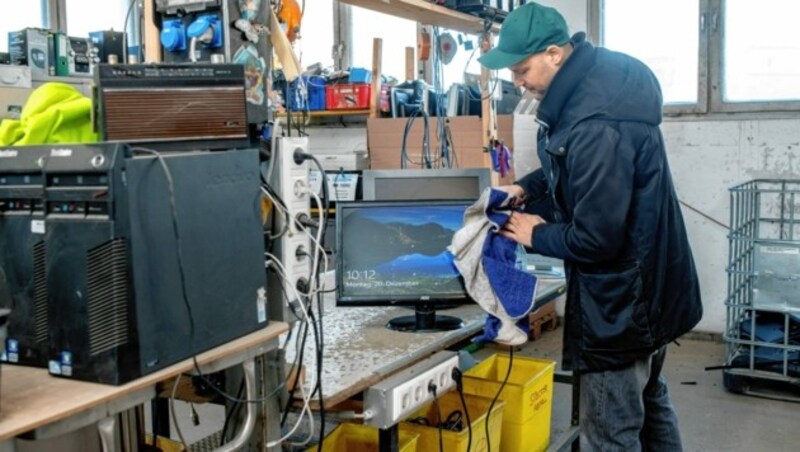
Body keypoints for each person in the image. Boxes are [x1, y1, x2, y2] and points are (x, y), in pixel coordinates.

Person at [478, 3, 703, 451]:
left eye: (522, 69)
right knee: (651, 400)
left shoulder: (595, 123)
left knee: (610, 432)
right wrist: (524, 188)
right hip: (652, 290)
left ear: (556, 55)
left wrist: (534, 234)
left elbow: (597, 238)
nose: (517, 81)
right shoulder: (594, 88)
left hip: (621, 307)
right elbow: (567, 166)